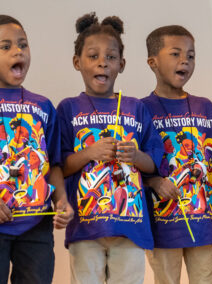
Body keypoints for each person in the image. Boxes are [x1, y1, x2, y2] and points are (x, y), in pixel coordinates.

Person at [57, 12, 164, 284]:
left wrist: (137, 156)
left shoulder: (136, 108)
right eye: (93, 56)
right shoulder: (68, 108)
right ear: (77, 62)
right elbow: (59, 165)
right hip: (85, 227)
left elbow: (154, 164)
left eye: (111, 57)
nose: (102, 63)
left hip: (130, 228)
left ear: (122, 64)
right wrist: (88, 154)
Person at [141, 25, 212, 284]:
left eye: (191, 56)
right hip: (162, 227)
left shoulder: (205, 107)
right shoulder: (142, 109)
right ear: (153, 62)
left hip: (205, 225)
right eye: (175, 54)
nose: (185, 61)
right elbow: (133, 168)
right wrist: (155, 182)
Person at [0, 15, 73, 283]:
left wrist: (61, 199)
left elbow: (54, 163)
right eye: (5, 46)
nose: (17, 51)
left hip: (35, 225)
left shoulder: (42, 107)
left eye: (23, 45)